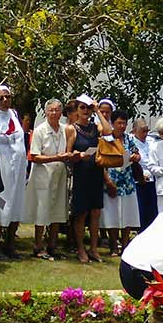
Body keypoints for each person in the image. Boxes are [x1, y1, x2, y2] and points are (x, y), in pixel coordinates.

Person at [65, 96, 112, 263]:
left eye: (88, 108)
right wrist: (78, 155)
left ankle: (93, 248)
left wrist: (97, 110)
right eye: (82, 108)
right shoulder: (72, 129)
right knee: (81, 213)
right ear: (77, 110)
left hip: (96, 172)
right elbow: (67, 154)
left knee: (95, 212)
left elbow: (108, 131)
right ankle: (80, 248)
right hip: (81, 173)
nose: (85, 111)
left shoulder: (95, 127)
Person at [23, 99, 71, 259]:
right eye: (51, 110)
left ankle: (53, 245)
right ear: (46, 112)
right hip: (43, 175)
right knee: (41, 210)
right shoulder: (40, 130)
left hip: (60, 173)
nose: (54, 113)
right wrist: (57, 157)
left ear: (61, 112)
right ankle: (38, 246)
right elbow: (35, 156)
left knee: (58, 209)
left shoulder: (65, 130)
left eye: (57, 110)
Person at [0, 85, 27, 259]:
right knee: (2, 201)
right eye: (1, 97)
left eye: (7, 97)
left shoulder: (14, 114)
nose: (5, 100)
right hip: (3, 162)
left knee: (16, 201)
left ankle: (10, 243)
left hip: (18, 164)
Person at [100, 110, 141, 255]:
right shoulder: (106, 139)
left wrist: (136, 157)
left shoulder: (129, 139)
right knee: (112, 214)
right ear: (113, 123)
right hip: (112, 180)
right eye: (119, 123)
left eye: (124, 123)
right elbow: (101, 161)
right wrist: (107, 181)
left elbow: (137, 153)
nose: (122, 126)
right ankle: (113, 245)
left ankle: (125, 245)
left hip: (127, 181)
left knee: (127, 214)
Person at [131, 117, 158, 231]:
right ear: (134, 130)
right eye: (143, 131)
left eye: (147, 130)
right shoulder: (131, 141)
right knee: (142, 210)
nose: (146, 134)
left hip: (153, 177)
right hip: (139, 178)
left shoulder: (152, 141)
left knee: (153, 209)